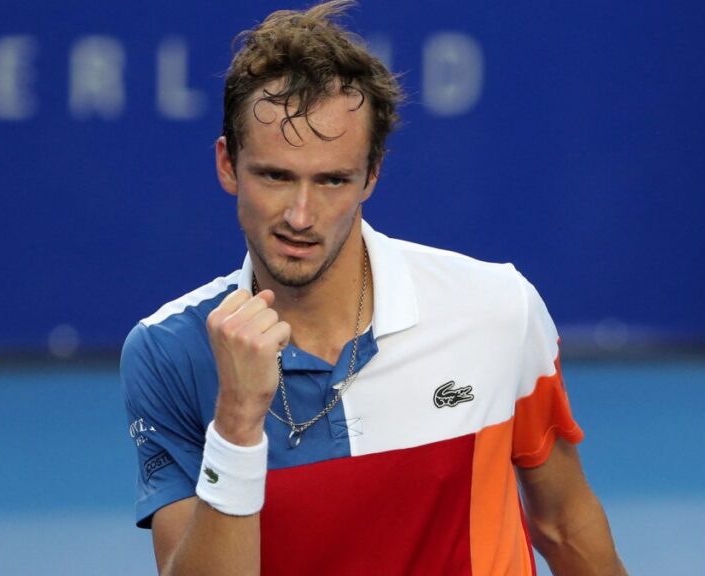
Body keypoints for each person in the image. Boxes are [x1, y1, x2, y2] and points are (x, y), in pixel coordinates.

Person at [121, 1, 627, 574]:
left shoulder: (497, 309)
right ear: (228, 165)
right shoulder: (168, 352)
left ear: (373, 174)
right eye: (276, 176)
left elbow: (564, 525)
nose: (302, 215)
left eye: (333, 179)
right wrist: (236, 422)